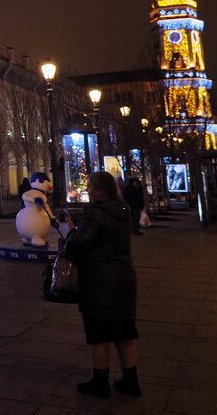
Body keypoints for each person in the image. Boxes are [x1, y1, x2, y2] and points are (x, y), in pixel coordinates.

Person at [65, 170, 140, 398]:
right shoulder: (122, 209)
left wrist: (71, 233)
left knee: (99, 333)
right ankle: (131, 380)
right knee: (124, 331)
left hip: (100, 280)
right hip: (124, 275)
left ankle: (100, 381)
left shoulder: (96, 213)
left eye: (91, 186)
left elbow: (80, 244)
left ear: (99, 190)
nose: (88, 189)